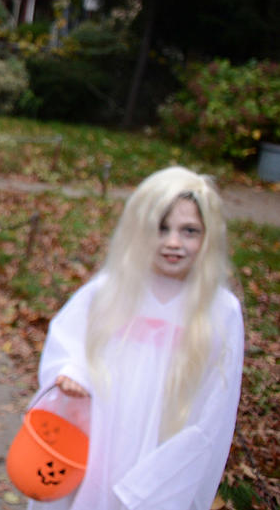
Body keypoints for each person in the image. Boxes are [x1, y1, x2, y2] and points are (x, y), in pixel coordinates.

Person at [27, 166, 244, 510]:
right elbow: (69, 342)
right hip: (100, 435)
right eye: (161, 229)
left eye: (189, 231)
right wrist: (73, 372)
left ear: (208, 236)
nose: (173, 242)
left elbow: (216, 406)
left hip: (164, 444)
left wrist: (161, 481)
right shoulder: (111, 291)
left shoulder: (220, 312)